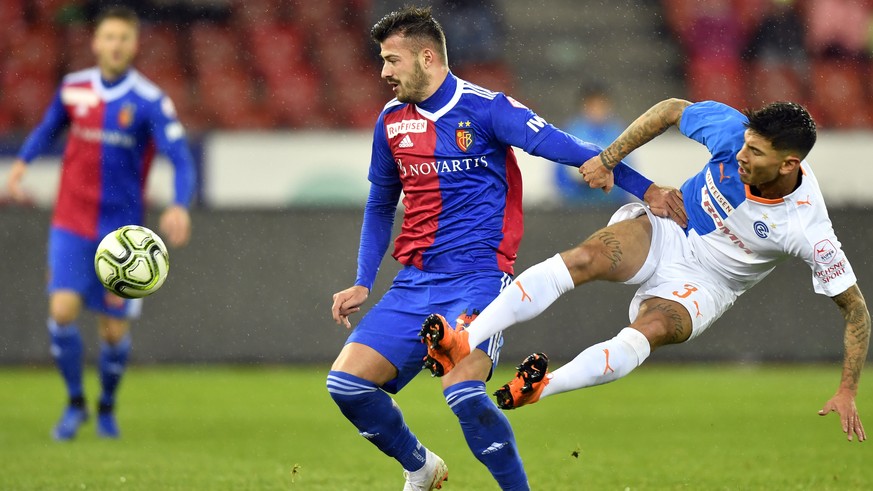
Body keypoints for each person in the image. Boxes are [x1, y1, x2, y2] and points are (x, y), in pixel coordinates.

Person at [327, 7, 682, 490]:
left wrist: (646, 190)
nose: (384, 72)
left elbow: (566, 147)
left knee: (464, 394)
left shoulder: (489, 109)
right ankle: (420, 466)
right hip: (413, 283)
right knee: (346, 386)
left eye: (392, 60)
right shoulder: (391, 122)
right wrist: (363, 280)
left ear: (426, 57)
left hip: (478, 282)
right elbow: (380, 201)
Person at [422, 98, 870, 444]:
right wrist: (610, 157)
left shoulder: (807, 226)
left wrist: (847, 390)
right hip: (671, 228)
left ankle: (541, 387)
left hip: (709, 283)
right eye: (745, 144)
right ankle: (465, 339)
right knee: (586, 258)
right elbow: (672, 110)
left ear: (789, 164)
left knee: (649, 329)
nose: (741, 156)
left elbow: (855, 310)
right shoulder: (733, 134)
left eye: (755, 152)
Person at [6, 6, 196, 440]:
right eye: (108, 37)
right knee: (62, 309)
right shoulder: (74, 89)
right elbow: (47, 127)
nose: (115, 45)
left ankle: (107, 407)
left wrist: (180, 203)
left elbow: (180, 158)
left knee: (112, 332)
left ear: (133, 45)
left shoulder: (149, 100)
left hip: (123, 236)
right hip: (71, 221)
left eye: (123, 38)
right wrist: (23, 162)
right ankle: (75, 404)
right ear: (96, 42)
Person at [554, 84, 631, 206]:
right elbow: (559, 174)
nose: (597, 110)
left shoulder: (617, 132)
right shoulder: (572, 131)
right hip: (577, 205)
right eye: (593, 106)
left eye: (601, 105)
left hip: (609, 204)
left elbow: (627, 171)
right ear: (584, 106)